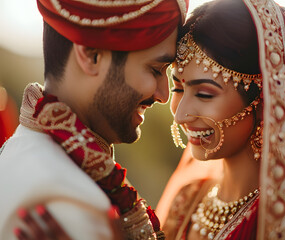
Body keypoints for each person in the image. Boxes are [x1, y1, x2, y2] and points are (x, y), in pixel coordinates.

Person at [156, 0, 285, 239]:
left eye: (204, 94)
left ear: (266, 100)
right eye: (178, 89)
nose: (180, 115)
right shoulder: (188, 199)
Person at [0, 0, 188, 239]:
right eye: (154, 69)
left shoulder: (22, 148)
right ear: (92, 56)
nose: (163, 95)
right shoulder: (73, 201)